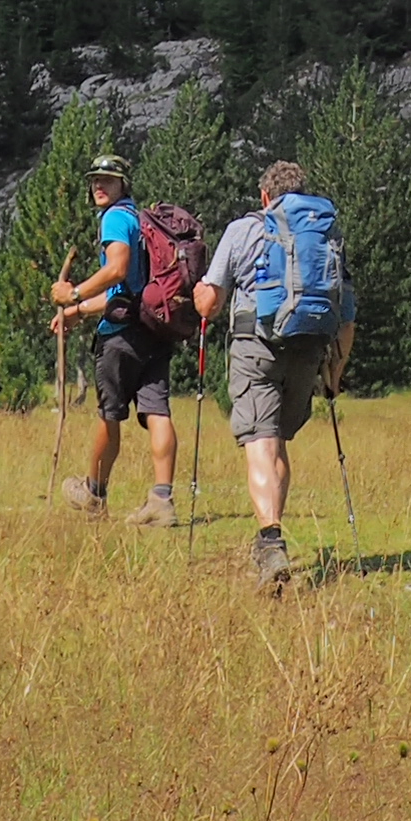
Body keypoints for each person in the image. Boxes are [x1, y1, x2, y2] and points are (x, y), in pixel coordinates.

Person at [195, 159, 351, 591]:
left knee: (261, 443)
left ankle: (270, 540)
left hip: (257, 345)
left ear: (266, 196)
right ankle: (271, 537)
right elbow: (348, 313)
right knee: (279, 440)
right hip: (309, 347)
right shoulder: (327, 233)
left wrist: (198, 294)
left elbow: (210, 303)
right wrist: (336, 370)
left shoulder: (246, 229)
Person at [44, 151, 177, 526]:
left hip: (120, 338)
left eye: (108, 180)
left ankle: (93, 494)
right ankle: (162, 499)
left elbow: (116, 268)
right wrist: (78, 312)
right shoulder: (141, 220)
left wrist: (73, 295)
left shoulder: (116, 219)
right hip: (154, 328)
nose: (99, 186)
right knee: (157, 411)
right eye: (95, 181)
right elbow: (125, 289)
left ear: (123, 185)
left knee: (110, 415)